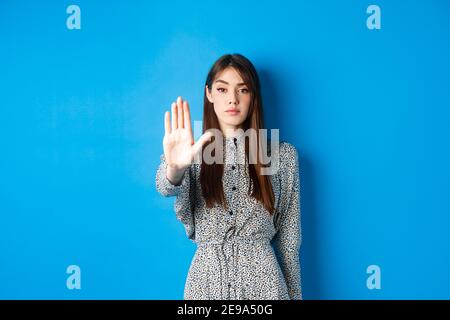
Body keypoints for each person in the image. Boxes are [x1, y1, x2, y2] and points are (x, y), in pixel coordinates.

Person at [155, 53, 302, 300]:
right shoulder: (191, 152)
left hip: (265, 288)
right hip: (206, 285)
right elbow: (164, 186)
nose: (232, 99)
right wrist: (175, 168)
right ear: (209, 94)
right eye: (222, 89)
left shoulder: (282, 155)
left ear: (253, 96)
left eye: (243, 90)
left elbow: (289, 243)